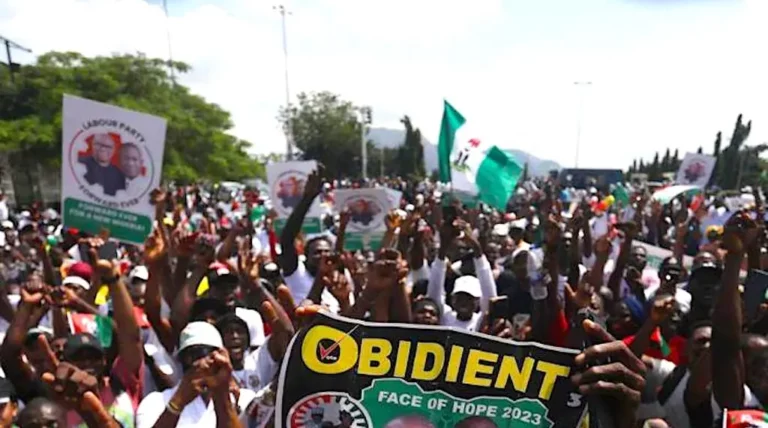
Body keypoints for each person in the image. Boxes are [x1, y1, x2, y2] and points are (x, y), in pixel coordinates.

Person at [135, 322, 254, 427]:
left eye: (206, 352)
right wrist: (178, 402)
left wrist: (222, 394)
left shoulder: (245, 399)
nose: (199, 362)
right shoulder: (155, 402)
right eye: (191, 355)